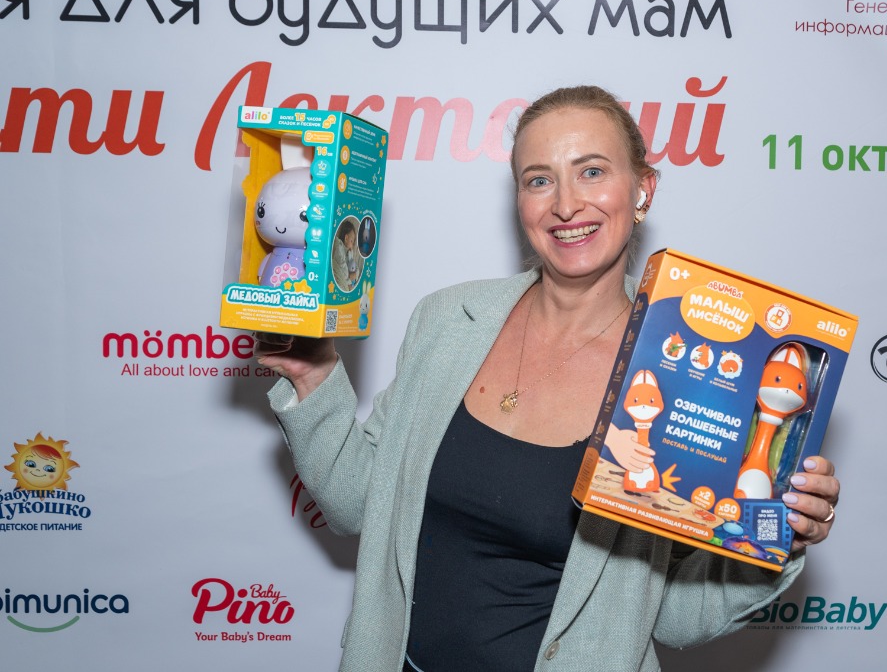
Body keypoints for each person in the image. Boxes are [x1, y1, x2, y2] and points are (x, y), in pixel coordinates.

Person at [255, 85, 840, 672]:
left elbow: (678, 620)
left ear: (643, 189)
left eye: (592, 172)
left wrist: (777, 536)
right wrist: (315, 378)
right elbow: (360, 506)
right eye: (539, 180)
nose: (565, 204)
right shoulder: (448, 320)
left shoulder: (685, 373)